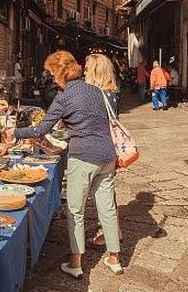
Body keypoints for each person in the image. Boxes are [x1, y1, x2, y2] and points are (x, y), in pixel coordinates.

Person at [5, 51, 123, 277]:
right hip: (107, 156)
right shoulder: (96, 91)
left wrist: (14, 132)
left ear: (60, 73)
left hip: (83, 157)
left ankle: (76, 263)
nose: (50, 77)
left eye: (51, 73)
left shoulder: (64, 97)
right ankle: (114, 258)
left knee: (75, 211)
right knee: (107, 207)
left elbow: (40, 129)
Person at [83, 53, 123, 248]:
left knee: (100, 194)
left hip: (96, 148)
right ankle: (113, 231)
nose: (84, 72)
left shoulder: (95, 95)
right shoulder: (112, 94)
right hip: (110, 147)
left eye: (87, 69)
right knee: (107, 192)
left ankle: (107, 233)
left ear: (95, 72)